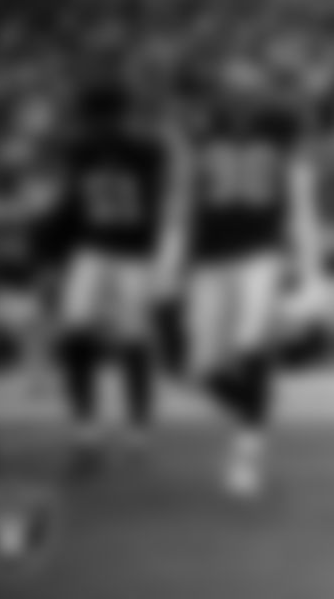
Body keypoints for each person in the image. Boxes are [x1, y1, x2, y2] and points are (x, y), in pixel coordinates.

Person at [180, 99, 320, 499]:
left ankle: (248, 452)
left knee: (249, 352)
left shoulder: (278, 155)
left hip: (254, 258)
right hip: (214, 262)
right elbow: (185, 210)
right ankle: (251, 423)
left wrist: (307, 275)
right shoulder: (205, 148)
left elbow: (301, 216)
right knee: (203, 368)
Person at [52, 84, 178, 475]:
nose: (101, 127)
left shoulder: (144, 151)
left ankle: (134, 428)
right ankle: (88, 428)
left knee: (132, 341)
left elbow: (159, 204)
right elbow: (72, 204)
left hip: (128, 254)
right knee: (76, 334)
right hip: (95, 251)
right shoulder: (85, 151)